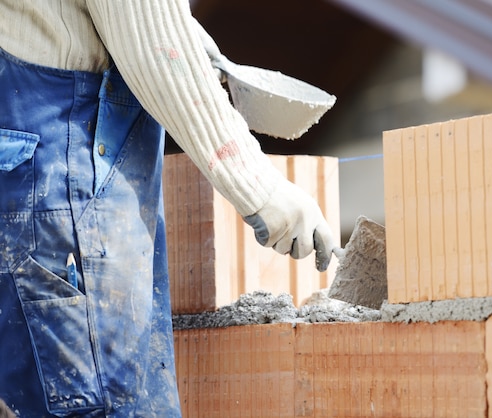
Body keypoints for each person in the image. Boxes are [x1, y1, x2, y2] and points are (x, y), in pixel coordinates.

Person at [0, 0, 335, 416]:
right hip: (61, 178)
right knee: (104, 401)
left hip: (22, 174)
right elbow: (155, 46)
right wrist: (262, 190)